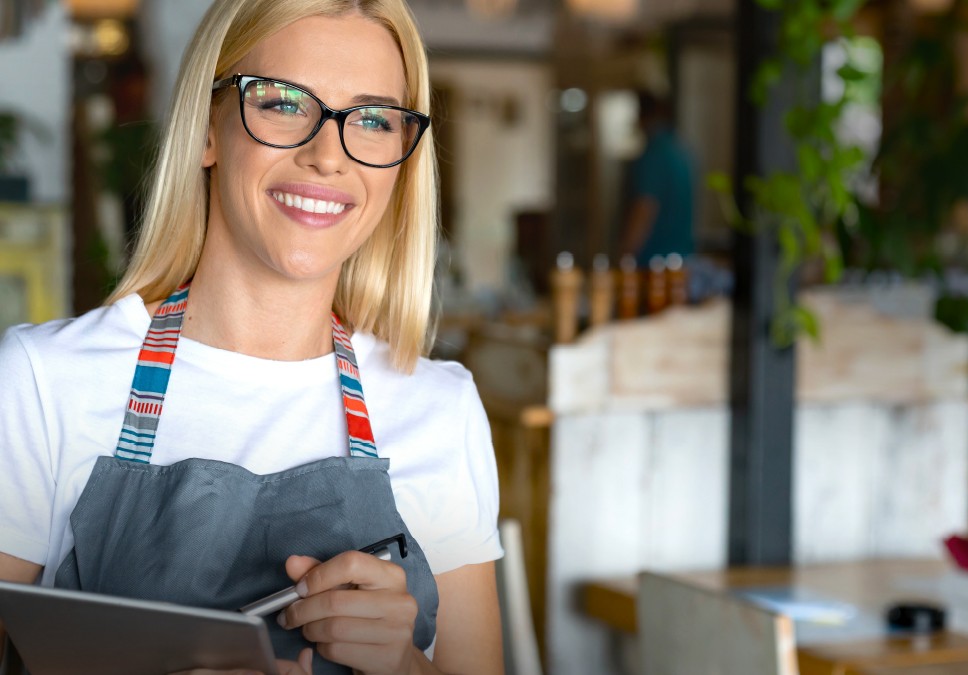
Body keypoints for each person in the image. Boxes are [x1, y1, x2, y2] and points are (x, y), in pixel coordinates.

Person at [0, 1, 503, 674]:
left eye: (374, 118)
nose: (328, 155)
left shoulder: (441, 407)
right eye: (284, 104)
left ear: (400, 164)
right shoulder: (40, 382)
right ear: (208, 132)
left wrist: (405, 665)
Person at [618, 90, 696, 267]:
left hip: (654, 265)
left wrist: (625, 255)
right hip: (683, 261)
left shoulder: (654, 155)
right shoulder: (682, 150)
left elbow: (644, 208)